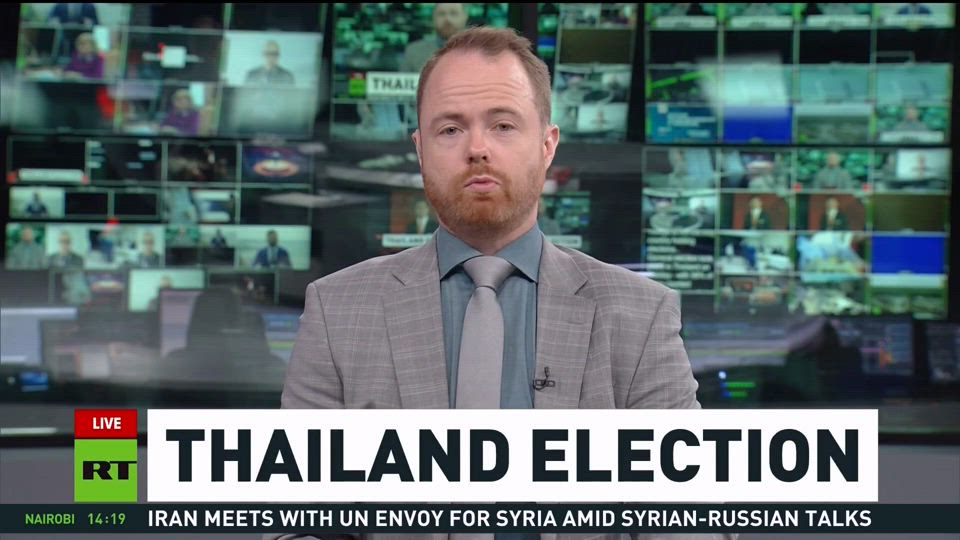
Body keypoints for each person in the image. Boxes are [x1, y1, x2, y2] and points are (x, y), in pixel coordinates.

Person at [398, 3, 469, 73]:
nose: (448, 19)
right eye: (442, 14)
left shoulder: (474, 51)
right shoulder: (413, 52)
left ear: (465, 17)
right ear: (433, 17)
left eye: (454, 13)